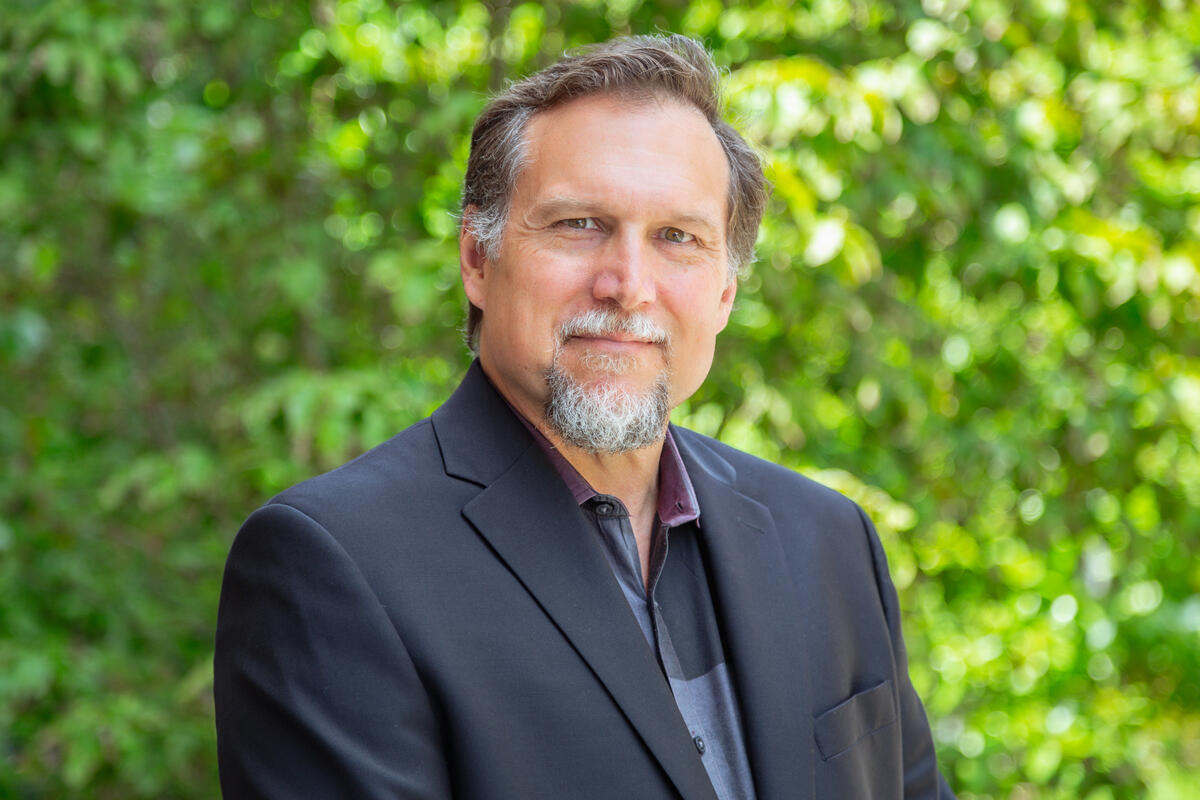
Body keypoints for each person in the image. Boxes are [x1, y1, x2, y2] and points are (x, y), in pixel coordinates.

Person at [214, 34, 955, 800]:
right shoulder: (331, 566)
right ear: (476, 257)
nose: (628, 285)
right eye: (578, 225)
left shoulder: (830, 542)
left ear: (726, 293)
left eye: (678, 238)